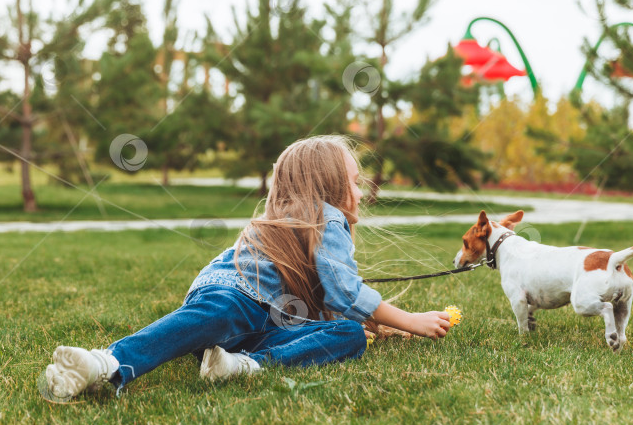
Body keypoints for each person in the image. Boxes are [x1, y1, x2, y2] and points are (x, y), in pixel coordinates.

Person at [43, 135, 452, 401]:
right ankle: (107, 363)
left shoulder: (304, 219)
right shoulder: (327, 216)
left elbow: (337, 303)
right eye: (354, 180)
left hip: (264, 324)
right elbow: (346, 292)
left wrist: (379, 324)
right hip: (237, 295)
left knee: (349, 335)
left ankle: (240, 366)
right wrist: (411, 320)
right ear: (329, 184)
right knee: (220, 312)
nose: (360, 191)